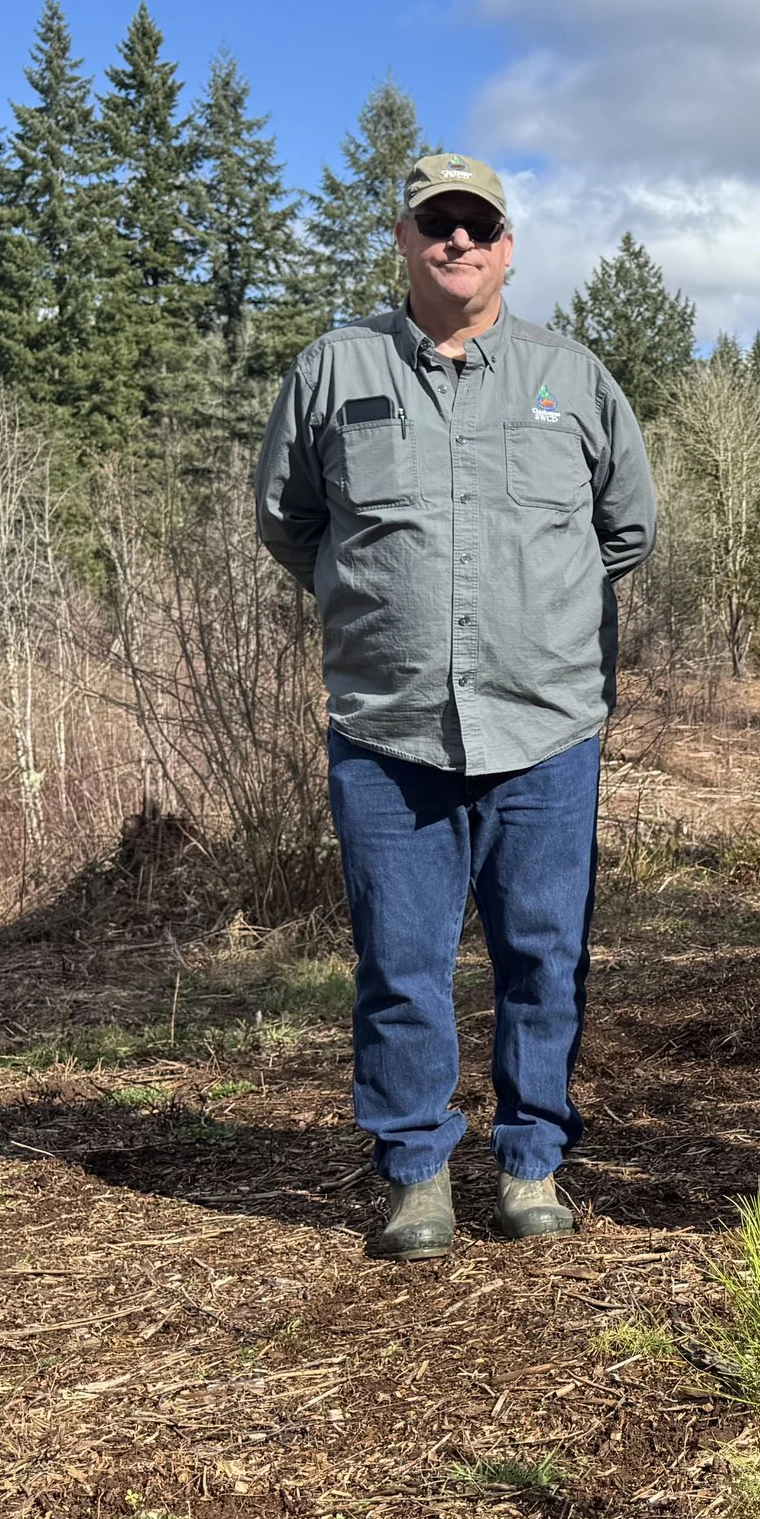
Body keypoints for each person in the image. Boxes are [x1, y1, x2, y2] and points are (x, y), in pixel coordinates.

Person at [255, 153, 656, 1260]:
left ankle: (531, 1162)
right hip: (390, 733)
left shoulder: (572, 380)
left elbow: (627, 531)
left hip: (545, 728)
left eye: (479, 226)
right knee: (401, 960)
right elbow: (290, 521)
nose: (459, 244)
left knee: (543, 955)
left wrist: (545, 619)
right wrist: (374, 602)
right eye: (439, 225)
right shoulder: (334, 371)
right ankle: (417, 1174)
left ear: (509, 245)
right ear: (406, 239)